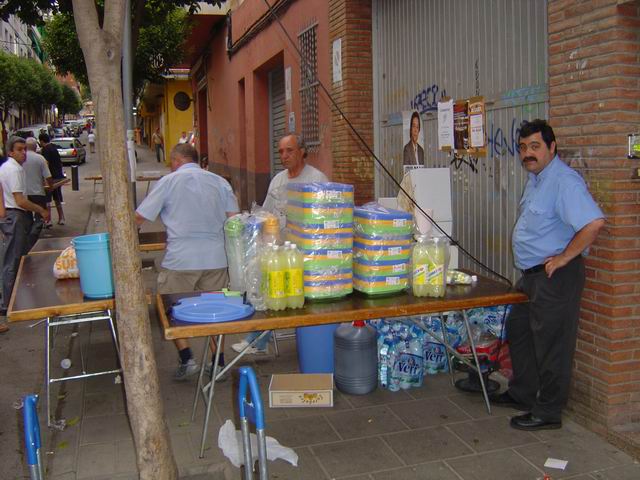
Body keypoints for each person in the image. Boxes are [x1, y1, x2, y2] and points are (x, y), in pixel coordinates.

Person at [490, 119, 605, 431]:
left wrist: (566, 257)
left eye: (535, 146)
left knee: (552, 343)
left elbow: (593, 223)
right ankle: (523, 393)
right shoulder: (538, 178)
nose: (528, 153)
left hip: (555, 279)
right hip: (532, 277)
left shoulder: (564, 182)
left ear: (552, 147)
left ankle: (549, 411)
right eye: (524, 147)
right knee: (519, 328)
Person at [136, 143, 239, 380]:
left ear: (175, 161)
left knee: (170, 309)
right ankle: (218, 364)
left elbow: (140, 217)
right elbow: (234, 221)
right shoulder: (220, 182)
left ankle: (187, 359)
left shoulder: (169, 182)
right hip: (216, 258)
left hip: (181, 260)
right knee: (216, 311)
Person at [232, 134, 328, 355]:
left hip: (309, 254)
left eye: (289, 150)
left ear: (302, 151)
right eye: (281, 151)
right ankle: (258, 340)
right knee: (269, 291)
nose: (284, 156)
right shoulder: (278, 180)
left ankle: (261, 340)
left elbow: (326, 218)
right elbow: (267, 214)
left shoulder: (317, 179)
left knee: (291, 297)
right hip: (280, 252)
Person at [0, 137, 50, 319]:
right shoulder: (13, 170)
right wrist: (40, 210)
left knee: (16, 257)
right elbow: (20, 200)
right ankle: (7, 303)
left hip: (11, 215)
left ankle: (10, 299)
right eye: (19, 150)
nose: (23, 153)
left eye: (24, 149)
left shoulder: (9, 168)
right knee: (14, 260)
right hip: (16, 215)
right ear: (10, 152)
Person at [23, 137, 53, 250]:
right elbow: (48, 176)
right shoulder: (40, 159)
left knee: (27, 216)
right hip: (38, 192)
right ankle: (32, 238)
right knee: (40, 217)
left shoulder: (21, 158)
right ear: (36, 147)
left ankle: (28, 235)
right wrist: (50, 186)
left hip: (24, 193)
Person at [39, 134, 66, 226]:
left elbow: (46, 163)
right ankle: (61, 218)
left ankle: (48, 220)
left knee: (47, 200)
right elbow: (60, 162)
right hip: (58, 176)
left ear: (42, 141)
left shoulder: (45, 150)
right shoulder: (54, 148)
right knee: (57, 198)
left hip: (50, 178)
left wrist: (44, 177)